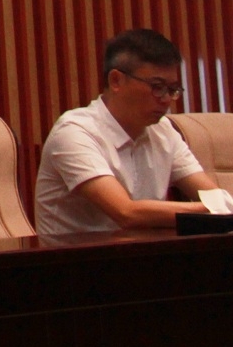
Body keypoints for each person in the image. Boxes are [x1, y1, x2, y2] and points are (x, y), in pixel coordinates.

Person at [35, 28, 221, 237]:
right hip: (77, 256)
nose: (166, 99)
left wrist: (218, 205)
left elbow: (211, 194)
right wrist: (214, 209)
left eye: (172, 89)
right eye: (157, 86)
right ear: (116, 80)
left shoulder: (163, 130)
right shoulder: (74, 131)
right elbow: (126, 213)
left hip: (143, 252)